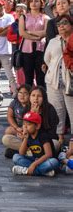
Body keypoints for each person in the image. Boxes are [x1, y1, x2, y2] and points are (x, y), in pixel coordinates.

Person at [44, 15, 73, 144]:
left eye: (64, 23)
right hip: (54, 81)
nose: (61, 26)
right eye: (58, 24)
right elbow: (47, 59)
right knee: (57, 111)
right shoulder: (53, 41)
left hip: (70, 82)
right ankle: (59, 139)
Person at [12, 111, 59, 177]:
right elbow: (21, 153)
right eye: (24, 124)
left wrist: (34, 165)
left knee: (54, 162)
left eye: (28, 124)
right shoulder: (28, 136)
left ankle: (25, 171)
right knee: (16, 157)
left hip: (46, 161)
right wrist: (25, 138)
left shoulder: (43, 135)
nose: (25, 127)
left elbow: (48, 154)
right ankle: (43, 172)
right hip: (35, 160)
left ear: (37, 126)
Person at [19, 0, 49, 88]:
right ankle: (28, 100)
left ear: (41, 3)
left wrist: (30, 32)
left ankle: (42, 100)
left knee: (41, 78)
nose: (33, 3)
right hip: (26, 50)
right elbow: (22, 33)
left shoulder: (46, 17)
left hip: (41, 49)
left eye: (36, 1)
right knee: (28, 78)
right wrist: (35, 37)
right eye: (31, 1)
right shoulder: (23, 17)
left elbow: (45, 33)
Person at [2, 84, 31, 157]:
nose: (22, 95)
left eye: (25, 93)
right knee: (8, 131)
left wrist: (25, 131)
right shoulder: (14, 102)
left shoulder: (32, 104)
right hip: (19, 129)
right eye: (20, 93)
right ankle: (26, 150)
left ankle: (23, 150)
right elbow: (9, 116)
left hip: (30, 130)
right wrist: (17, 128)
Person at [29, 86, 59, 151]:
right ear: (29, 97)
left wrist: (36, 117)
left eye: (39, 96)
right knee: (7, 139)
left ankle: (31, 152)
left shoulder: (50, 109)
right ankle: (32, 151)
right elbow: (26, 130)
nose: (36, 98)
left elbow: (52, 133)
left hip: (46, 141)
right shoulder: (27, 109)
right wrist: (31, 114)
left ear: (44, 98)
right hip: (30, 141)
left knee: (56, 144)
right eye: (33, 95)